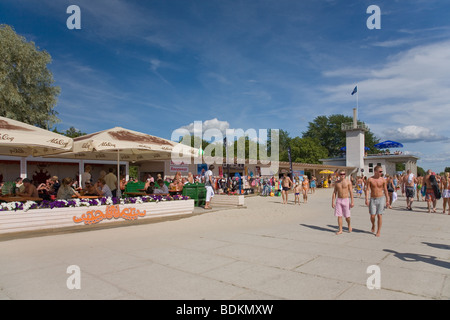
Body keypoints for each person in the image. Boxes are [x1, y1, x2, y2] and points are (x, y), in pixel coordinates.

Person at [365, 165, 390, 237]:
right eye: (380, 171)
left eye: (381, 172)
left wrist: (387, 200)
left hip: (381, 198)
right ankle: (373, 224)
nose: (381, 173)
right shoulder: (370, 179)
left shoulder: (383, 180)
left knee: (379, 215)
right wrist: (366, 199)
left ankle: (378, 231)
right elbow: (367, 190)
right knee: (372, 216)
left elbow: (385, 190)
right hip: (373, 198)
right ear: (375, 171)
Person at [332, 170, 354, 235]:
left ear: (345, 174)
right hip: (339, 200)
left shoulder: (348, 182)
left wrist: (352, 201)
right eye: (341, 174)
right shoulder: (337, 183)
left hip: (346, 199)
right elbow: (334, 192)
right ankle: (340, 230)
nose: (342, 175)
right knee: (339, 216)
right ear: (339, 175)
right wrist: (333, 201)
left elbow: (351, 192)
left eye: (344, 174)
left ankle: (349, 225)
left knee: (347, 216)